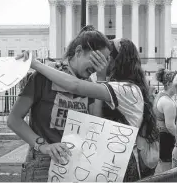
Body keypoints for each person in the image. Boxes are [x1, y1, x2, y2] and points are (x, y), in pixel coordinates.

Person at [25, 38, 159, 181]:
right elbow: (96, 120)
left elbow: (75, 85)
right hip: (109, 164)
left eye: (106, 56)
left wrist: (36, 64)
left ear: (114, 61)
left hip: (122, 165)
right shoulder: (115, 88)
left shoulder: (127, 89)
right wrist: (101, 76)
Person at [8, 26, 112, 182]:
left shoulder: (89, 84)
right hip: (43, 163)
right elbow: (13, 119)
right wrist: (43, 145)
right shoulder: (42, 77)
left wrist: (101, 78)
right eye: (96, 59)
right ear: (78, 51)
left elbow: (96, 122)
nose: (98, 67)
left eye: (103, 62)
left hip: (77, 163)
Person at [153, 68, 177, 173]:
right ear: (169, 83)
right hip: (166, 139)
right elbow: (170, 126)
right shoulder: (167, 102)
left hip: (160, 137)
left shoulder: (160, 96)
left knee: (164, 169)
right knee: (168, 171)